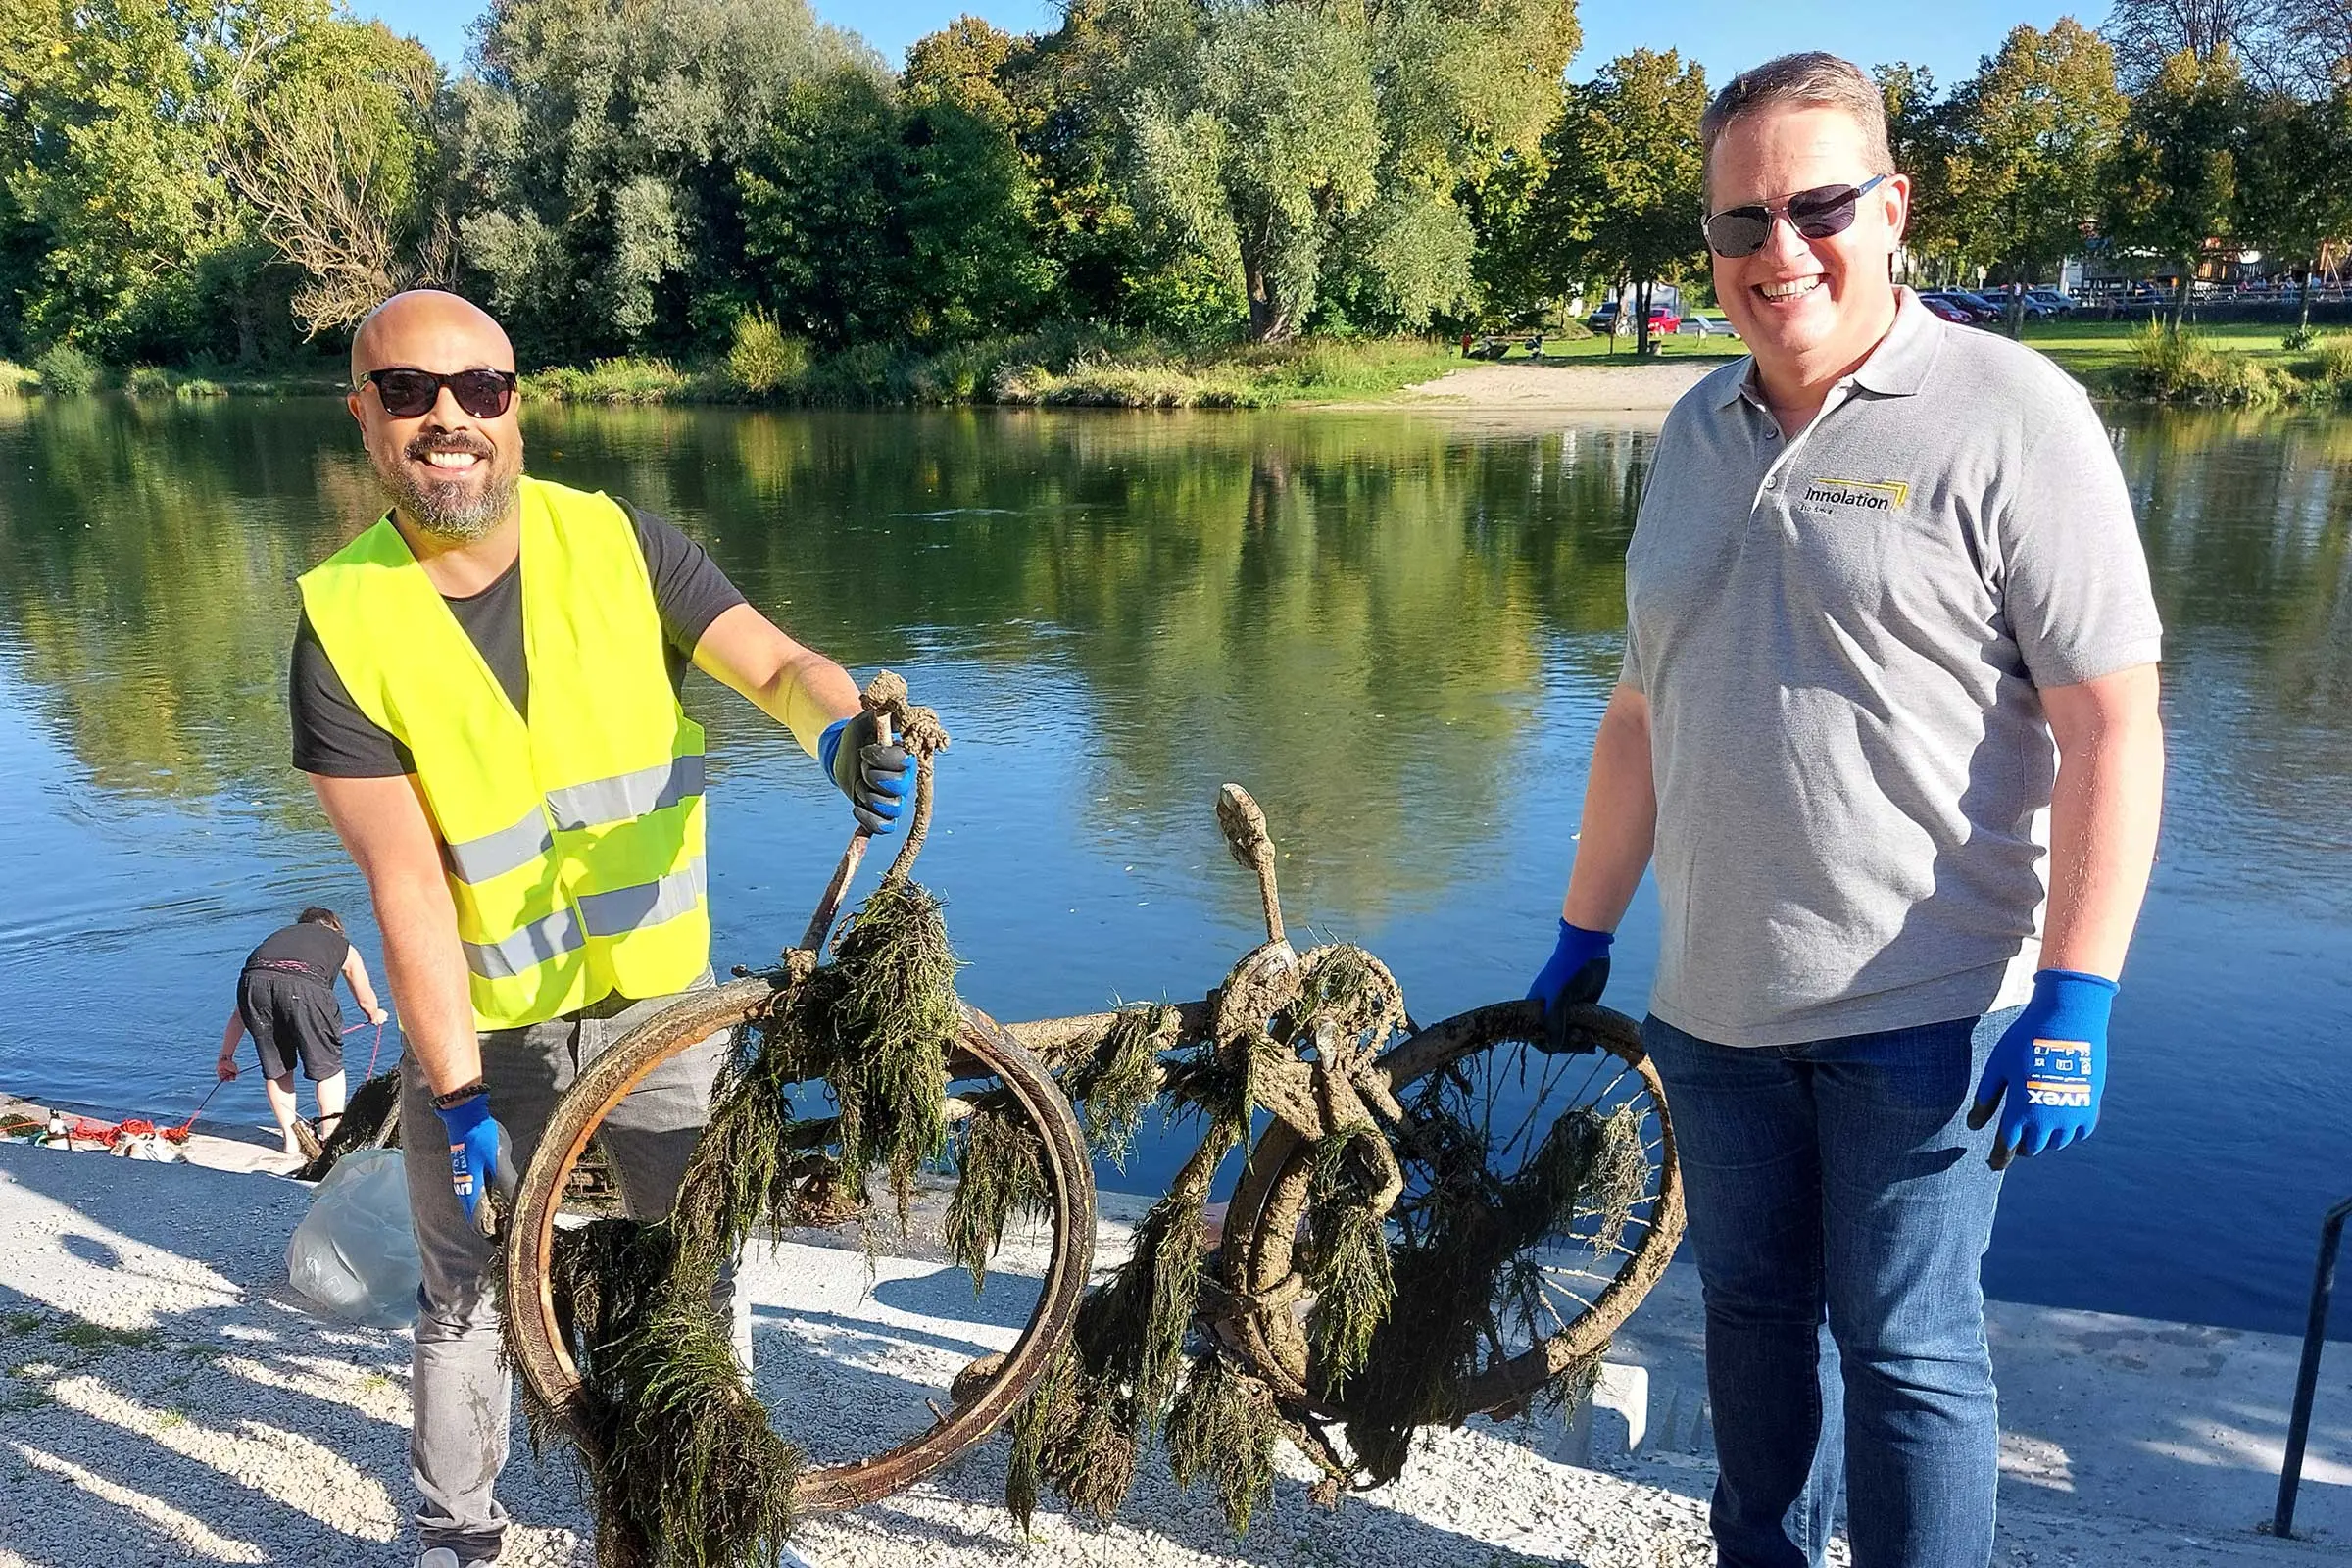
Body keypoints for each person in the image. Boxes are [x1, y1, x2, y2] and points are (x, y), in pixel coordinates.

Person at [1526, 53, 2164, 1568]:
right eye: (1739, 222)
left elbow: (2113, 722)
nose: (1777, 251)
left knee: (1909, 1353)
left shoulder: (2015, 414)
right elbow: (1639, 715)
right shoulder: (1691, 433)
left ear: (1892, 207)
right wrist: (1580, 930)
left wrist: (2077, 995)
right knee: (1745, 1318)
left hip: (1921, 1012)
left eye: (1816, 206)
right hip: (1716, 1009)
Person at [293, 289, 910, 1568]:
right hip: (490, 1039)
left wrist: (843, 732)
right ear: (365, 414)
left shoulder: (622, 546)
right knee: (465, 1294)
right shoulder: (343, 625)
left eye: (480, 388)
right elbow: (404, 885)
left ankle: (717, 1519)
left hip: (664, 1019)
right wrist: (453, 1094)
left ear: (518, 404)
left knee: (695, 1273)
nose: (448, 415)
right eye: (409, 391)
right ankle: (459, 1540)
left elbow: (779, 665)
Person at [216, 906, 387, 1156]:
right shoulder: (341, 944)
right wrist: (375, 1014)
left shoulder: (281, 937)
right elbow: (364, 998)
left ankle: (291, 1140)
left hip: (253, 985)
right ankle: (330, 1137)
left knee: (278, 1069)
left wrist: (226, 1057)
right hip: (305, 989)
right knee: (328, 1069)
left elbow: (240, 1012)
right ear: (335, 928)